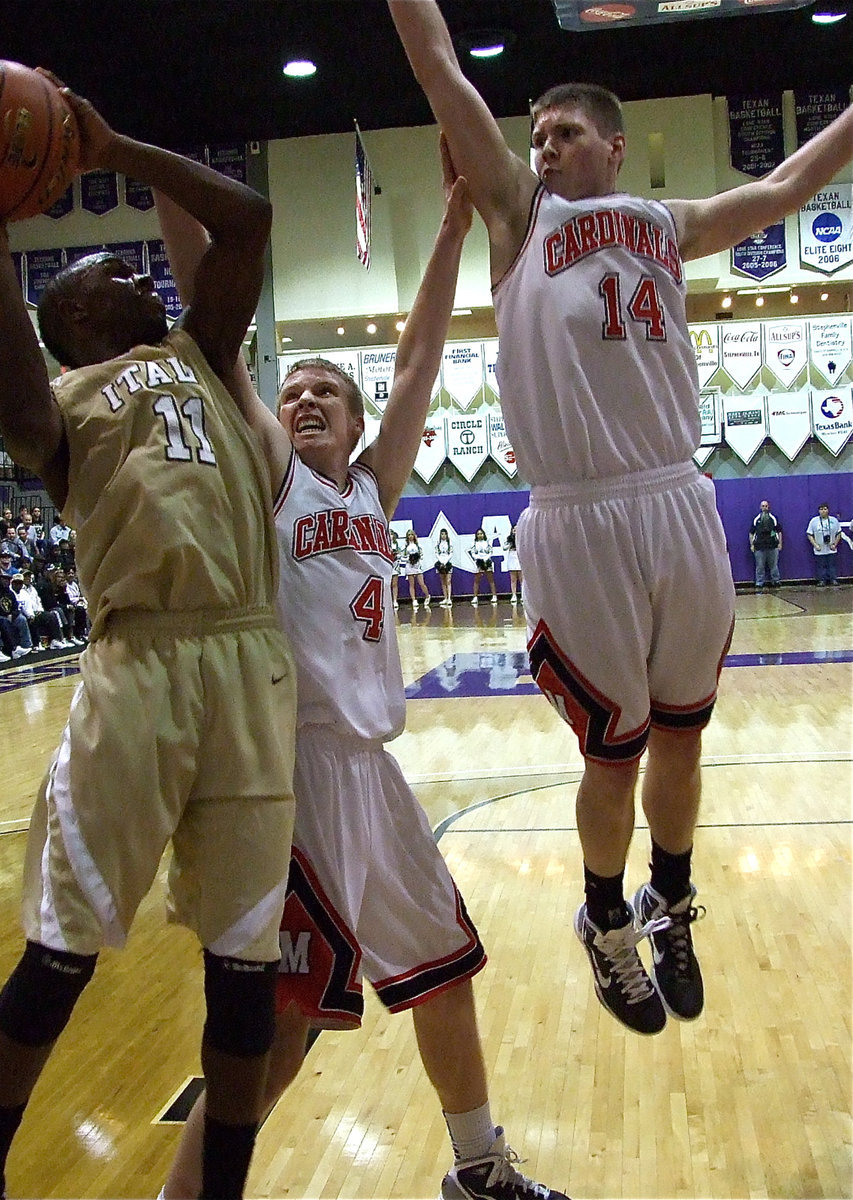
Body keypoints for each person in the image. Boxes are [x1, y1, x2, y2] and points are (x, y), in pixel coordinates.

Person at [388, 0, 853, 1037]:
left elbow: (787, 185)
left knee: (684, 740)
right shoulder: (517, 215)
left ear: (613, 145)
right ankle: (604, 916)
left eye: (564, 133)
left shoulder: (664, 224)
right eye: (535, 135)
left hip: (678, 497)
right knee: (616, 752)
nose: (543, 148)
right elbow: (435, 64)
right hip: (578, 513)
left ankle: (669, 899)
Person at [158, 138, 564, 1200]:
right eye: (292, 392)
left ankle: (479, 1167)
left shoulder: (373, 495)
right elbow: (219, 335)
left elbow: (424, 355)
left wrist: (448, 226)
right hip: (291, 781)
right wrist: (158, 175)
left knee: (443, 972)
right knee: (282, 1032)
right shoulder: (277, 482)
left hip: (372, 782)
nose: (303, 402)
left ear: (354, 416)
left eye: (325, 393)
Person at [0, 69, 295, 1200]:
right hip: (140, 669)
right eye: (111, 273)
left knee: (245, 977)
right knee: (59, 952)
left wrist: (113, 145)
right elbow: (20, 413)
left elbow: (251, 220)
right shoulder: (71, 401)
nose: (140, 273)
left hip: (246, 658)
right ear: (76, 317)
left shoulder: (197, 352)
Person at [748, 499, 783, 590]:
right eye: (763, 506)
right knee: (760, 566)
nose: (764, 508)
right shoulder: (756, 520)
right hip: (759, 547)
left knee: (774, 566)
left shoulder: (773, 519)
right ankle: (759, 582)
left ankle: (776, 581)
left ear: (768, 507)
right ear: (760, 507)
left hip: (773, 546)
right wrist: (752, 545)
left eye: (766, 506)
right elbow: (751, 533)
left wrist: (780, 543)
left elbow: (779, 532)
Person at [806, 502, 840, 586]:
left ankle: (833, 579)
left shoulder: (834, 520)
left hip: (831, 548)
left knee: (831, 565)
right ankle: (821, 580)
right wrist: (815, 545)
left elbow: (838, 533)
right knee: (820, 566)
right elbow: (809, 534)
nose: (823, 511)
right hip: (819, 549)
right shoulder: (814, 521)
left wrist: (835, 544)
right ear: (818, 511)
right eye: (821, 509)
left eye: (825, 509)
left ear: (828, 510)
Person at [401, 527, 432, 608]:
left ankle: (427, 596)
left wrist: (416, 558)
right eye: (409, 535)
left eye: (412, 534)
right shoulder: (405, 546)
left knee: (421, 583)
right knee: (411, 584)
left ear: (414, 536)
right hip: (409, 566)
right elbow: (402, 557)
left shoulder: (417, 546)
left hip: (417, 566)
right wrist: (409, 559)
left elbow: (421, 555)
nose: (410, 536)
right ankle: (414, 600)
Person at [467, 528, 497, 605]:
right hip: (479, 562)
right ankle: (475, 597)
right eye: (478, 534)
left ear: (484, 534)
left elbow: (490, 552)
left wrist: (486, 559)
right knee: (477, 580)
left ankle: (494, 595)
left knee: (491, 579)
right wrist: (479, 558)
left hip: (487, 562)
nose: (480, 535)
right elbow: (473, 553)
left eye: (481, 533)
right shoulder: (474, 544)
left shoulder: (487, 543)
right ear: (476, 535)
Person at [499, 523, 521, 604]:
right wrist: (510, 543)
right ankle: (514, 595)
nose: (515, 531)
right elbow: (504, 548)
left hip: (519, 557)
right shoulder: (509, 539)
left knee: (522, 579)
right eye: (514, 529)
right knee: (513, 579)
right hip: (512, 557)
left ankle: (523, 596)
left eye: (517, 529)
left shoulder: (522, 538)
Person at [433, 528, 454, 607]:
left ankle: (449, 598)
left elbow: (451, 553)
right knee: (443, 581)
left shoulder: (449, 544)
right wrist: (441, 562)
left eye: (445, 534)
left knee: (448, 581)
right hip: (440, 563)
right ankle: (445, 597)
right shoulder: (438, 544)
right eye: (442, 534)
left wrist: (445, 562)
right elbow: (436, 553)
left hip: (448, 563)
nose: (443, 536)